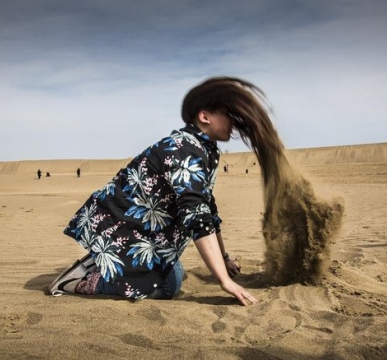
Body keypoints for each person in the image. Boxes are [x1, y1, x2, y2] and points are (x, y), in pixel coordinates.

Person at [49, 76, 276, 306]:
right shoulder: (185, 149)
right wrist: (224, 281)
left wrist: (224, 257)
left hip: (137, 230)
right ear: (204, 116)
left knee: (169, 266)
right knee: (169, 285)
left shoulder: (202, 148)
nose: (234, 122)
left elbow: (206, 208)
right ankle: (81, 281)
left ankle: (108, 262)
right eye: (227, 114)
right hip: (120, 226)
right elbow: (196, 215)